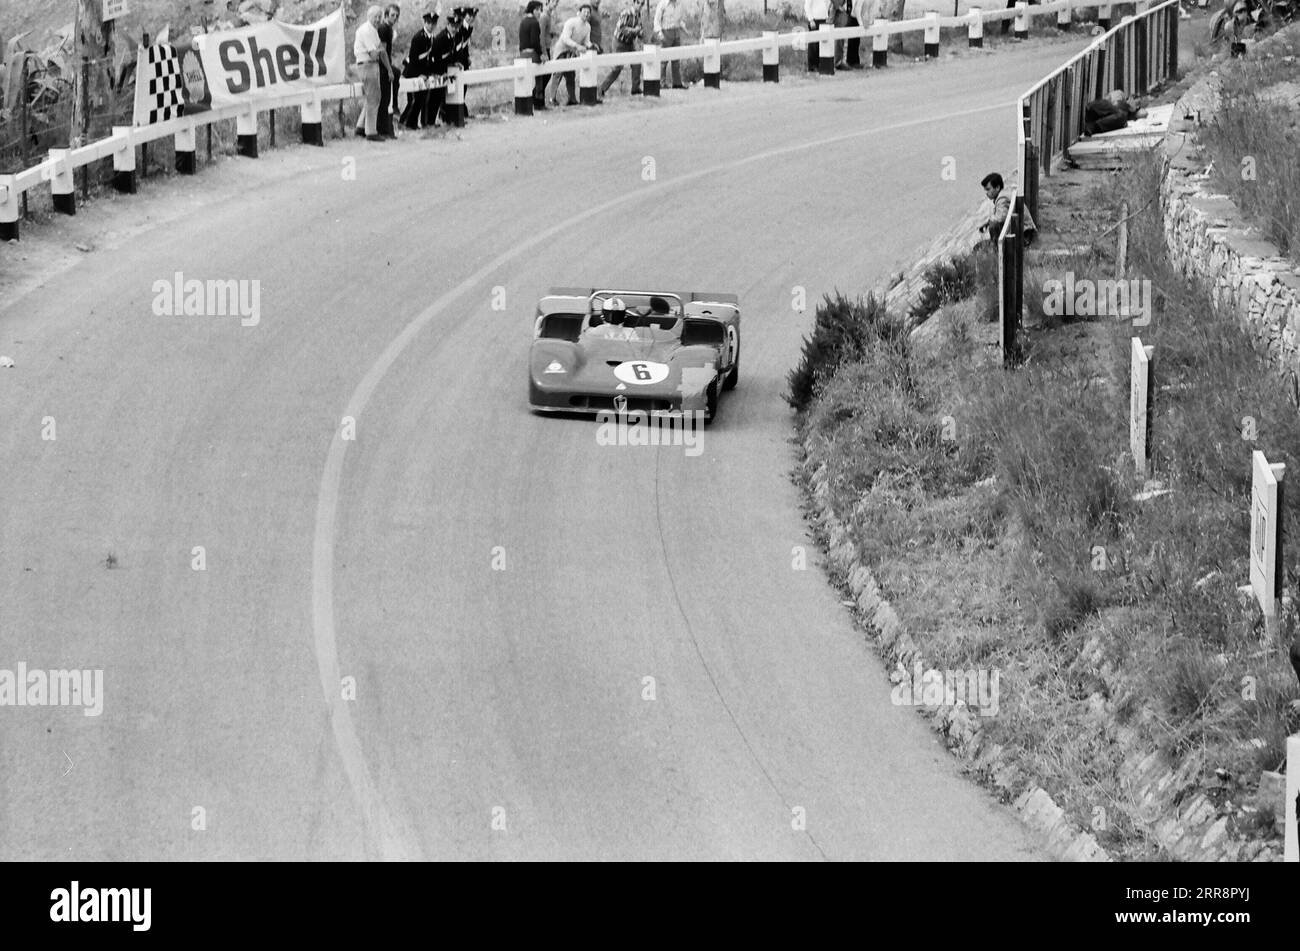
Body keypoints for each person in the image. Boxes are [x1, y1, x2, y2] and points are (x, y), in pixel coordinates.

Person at [548, 3, 595, 107]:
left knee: (570, 75)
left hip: (572, 52)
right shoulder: (571, 22)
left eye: (588, 12)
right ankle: (552, 99)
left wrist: (591, 46)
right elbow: (565, 38)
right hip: (561, 50)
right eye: (584, 12)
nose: (586, 14)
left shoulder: (588, 27)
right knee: (558, 73)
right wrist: (577, 46)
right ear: (579, 12)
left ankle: (572, 99)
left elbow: (587, 41)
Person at [599, 0, 645, 98]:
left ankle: (635, 89)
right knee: (617, 68)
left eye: (642, 4)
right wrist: (634, 31)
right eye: (639, 3)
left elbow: (639, 29)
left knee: (637, 62)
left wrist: (640, 32)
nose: (640, 6)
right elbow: (621, 28)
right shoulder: (626, 13)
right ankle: (601, 89)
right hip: (619, 43)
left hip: (630, 43)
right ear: (634, 2)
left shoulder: (638, 15)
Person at [354, 5, 386, 141]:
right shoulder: (366, 30)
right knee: (374, 98)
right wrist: (380, 50)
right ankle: (371, 132)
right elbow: (374, 54)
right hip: (367, 65)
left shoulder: (373, 30)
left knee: (372, 97)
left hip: (371, 66)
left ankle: (360, 127)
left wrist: (379, 50)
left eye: (380, 17)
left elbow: (379, 49)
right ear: (369, 17)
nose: (378, 19)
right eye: (375, 17)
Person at [401, 12, 438, 128]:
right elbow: (413, 59)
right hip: (413, 71)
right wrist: (418, 74)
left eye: (433, 23)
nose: (431, 26)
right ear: (424, 23)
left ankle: (413, 124)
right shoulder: (418, 37)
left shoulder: (432, 37)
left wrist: (430, 72)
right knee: (413, 100)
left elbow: (430, 59)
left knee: (421, 99)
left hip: (424, 72)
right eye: (428, 23)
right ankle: (404, 123)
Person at [978, 172, 1036, 245]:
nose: (986, 193)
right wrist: (987, 223)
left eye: (988, 189)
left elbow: (1000, 218)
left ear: (997, 187)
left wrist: (990, 221)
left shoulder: (1002, 199)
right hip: (1025, 230)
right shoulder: (1003, 194)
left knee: (993, 225)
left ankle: (996, 249)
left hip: (1024, 235)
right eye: (985, 190)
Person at [520, 1, 548, 109]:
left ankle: (526, 102)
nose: (540, 13)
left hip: (523, 53)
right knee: (540, 76)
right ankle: (538, 102)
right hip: (532, 53)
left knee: (526, 79)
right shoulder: (534, 23)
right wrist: (541, 54)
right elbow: (535, 42)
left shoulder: (523, 21)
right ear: (534, 10)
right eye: (539, 10)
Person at [1082, 88, 1146, 136]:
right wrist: (1126, 106)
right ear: (1131, 97)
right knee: (1118, 112)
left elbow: (1144, 114)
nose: (1137, 106)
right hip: (1095, 110)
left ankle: (1092, 127)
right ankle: (1091, 126)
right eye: (1137, 102)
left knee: (1122, 117)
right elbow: (1110, 102)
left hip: (1099, 120)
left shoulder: (1125, 116)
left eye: (1138, 106)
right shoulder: (1120, 94)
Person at [653, 0, 687, 88]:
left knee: (676, 60)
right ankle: (661, 83)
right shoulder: (663, 4)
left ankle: (677, 83)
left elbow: (679, 20)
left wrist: (684, 30)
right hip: (666, 32)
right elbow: (657, 21)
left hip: (676, 32)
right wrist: (660, 33)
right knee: (663, 60)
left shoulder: (679, 4)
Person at [804, 0, 831, 72]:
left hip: (823, 19)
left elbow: (827, 3)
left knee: (821, 44)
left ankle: (819, 64)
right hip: (814, 20)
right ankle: (812, 66)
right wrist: (811, 20)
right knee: (813, 44)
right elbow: (807, 6)